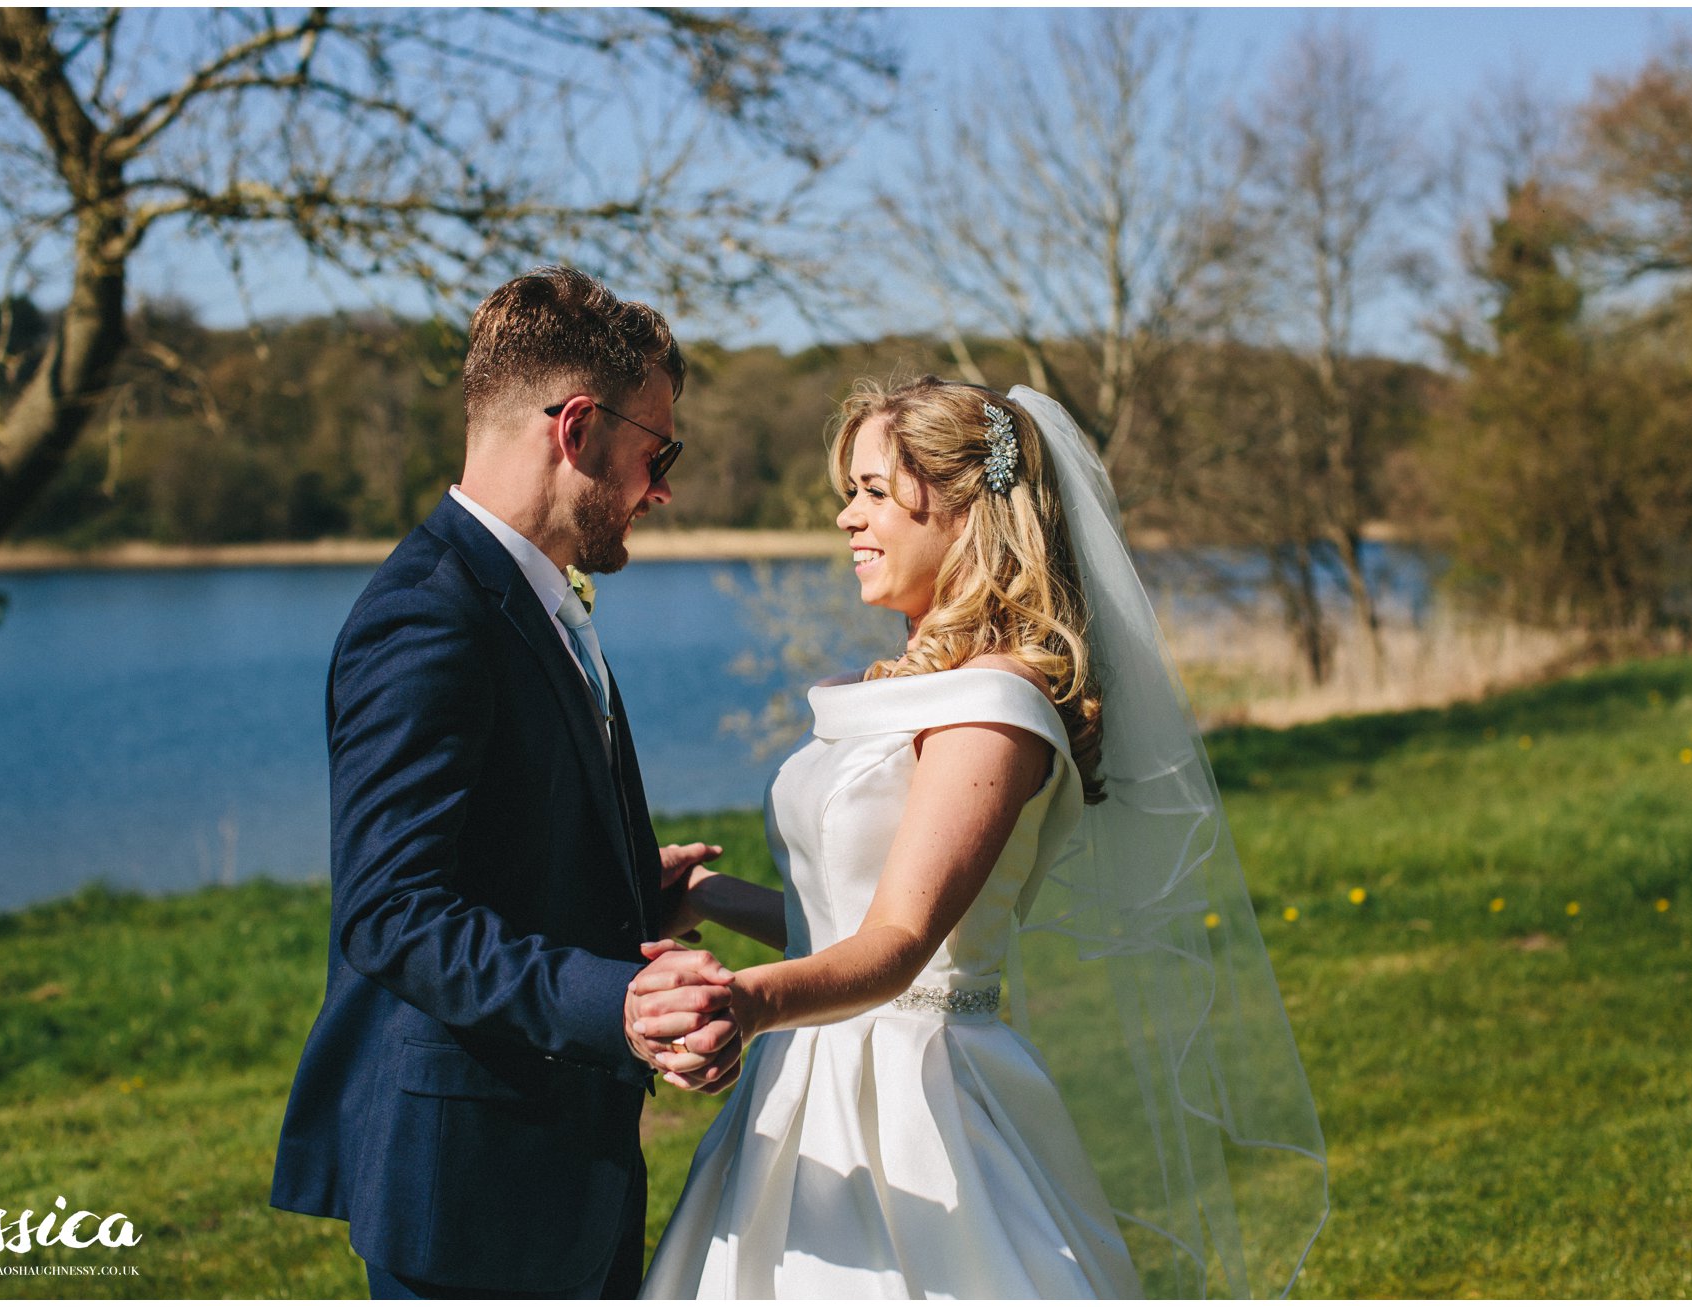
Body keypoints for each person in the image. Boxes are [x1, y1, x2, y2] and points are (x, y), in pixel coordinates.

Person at [640, 377, 1328, 1298]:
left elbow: (901, 945)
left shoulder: (992, 710)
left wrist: (746, 1003)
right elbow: (846, 924)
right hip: (807, 1068)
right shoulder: (894, 685)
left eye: (875, 490)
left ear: (966, 508)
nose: (848, 517)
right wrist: (704, 898)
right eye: (850, 491)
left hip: (914, 1099)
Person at [269, 266, 743, 1300]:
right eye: (657, 450)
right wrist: (618, 999)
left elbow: (485, 847)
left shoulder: (529, 594)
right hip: (472, 1191)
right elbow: (391, 914)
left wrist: (617, 886)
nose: (659, 486)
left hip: (561, 1173)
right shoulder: (429, 614)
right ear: (575, 428)